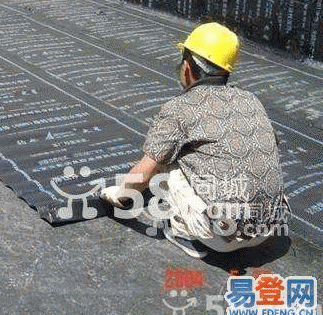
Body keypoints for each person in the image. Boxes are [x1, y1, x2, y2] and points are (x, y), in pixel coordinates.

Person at [100, 22, 287, 259]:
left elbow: (145, 173)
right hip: (271, 227)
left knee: (169, 161)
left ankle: (184, 233)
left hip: (221, 236)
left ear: (187, 67)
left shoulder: (180, 108)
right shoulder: (251, 99)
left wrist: (119, 196)